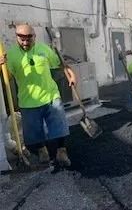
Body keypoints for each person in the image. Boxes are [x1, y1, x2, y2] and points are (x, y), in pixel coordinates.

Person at [0, 24, 76, 167]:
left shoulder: (44, 49)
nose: (25, 43)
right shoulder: (10, 55)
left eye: (29, 39)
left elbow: (60, 64)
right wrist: (1, 66)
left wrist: (71, 74)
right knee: (34, 131)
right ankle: (42, 150)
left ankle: (61, 151)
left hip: (50, 96)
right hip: (28, 101)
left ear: (34, 36)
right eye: (21, 39)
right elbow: (7, 77)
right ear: (16, 37)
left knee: (59, 125)